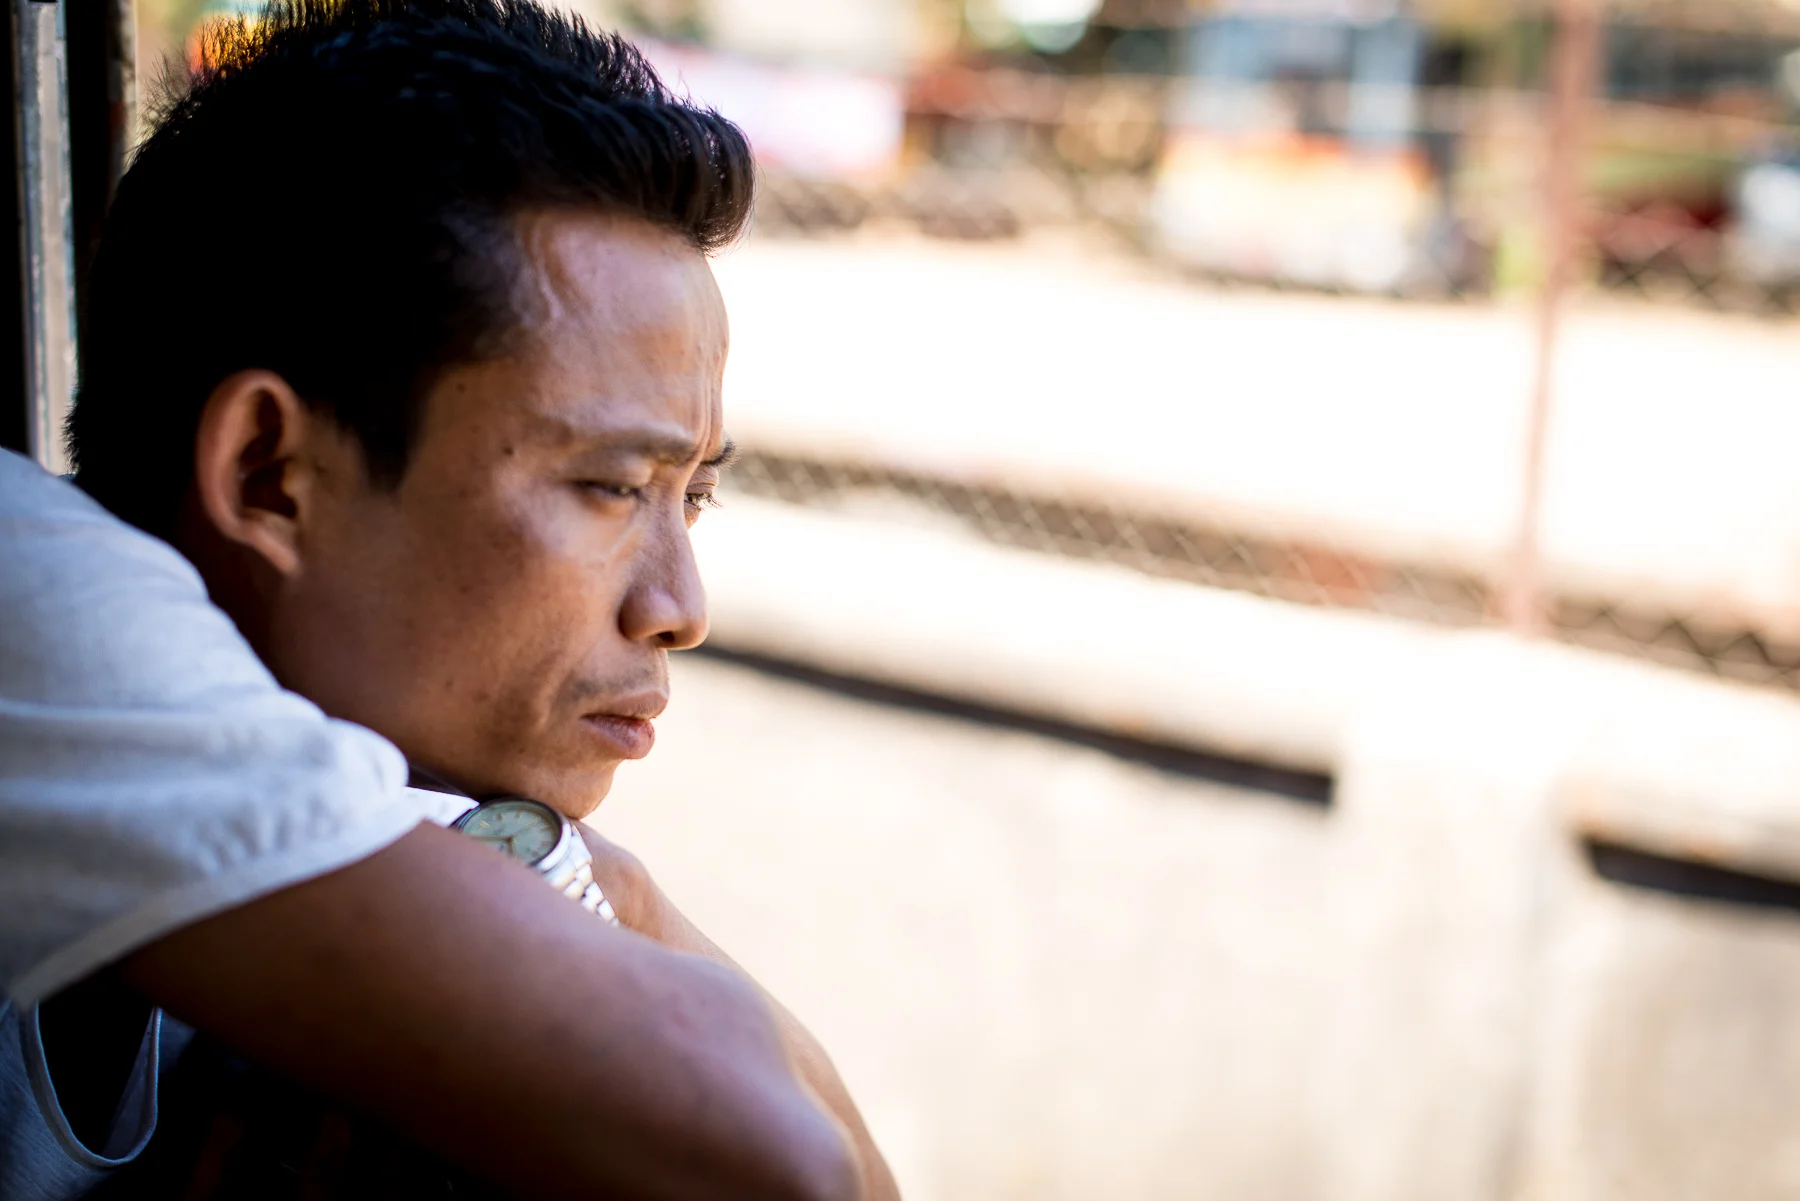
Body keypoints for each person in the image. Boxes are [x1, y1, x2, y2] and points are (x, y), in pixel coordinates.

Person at [0, 0, 898, 1196]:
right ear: (271, 473)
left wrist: (588, 875)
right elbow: (771, 1158)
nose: (679, 604)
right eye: (609, 486)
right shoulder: (34, 600)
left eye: (693, 498)